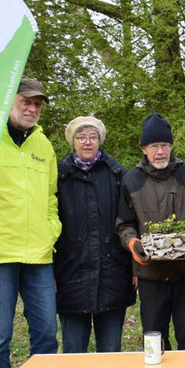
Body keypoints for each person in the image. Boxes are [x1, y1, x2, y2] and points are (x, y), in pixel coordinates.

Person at [0, 77, 60, 368]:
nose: (32, 109)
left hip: (38, 254)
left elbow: (50, 196)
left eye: (36, 105)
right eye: (26, 102)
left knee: (47, 334)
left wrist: (50, 229)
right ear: (10, 100)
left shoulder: (44, 144)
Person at [115, 113, 185, 350]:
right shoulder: (131, 180)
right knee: (154, 338)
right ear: (144, 149)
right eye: (155, 146)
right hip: (151, 274)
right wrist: (133, 245)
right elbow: (123, 224)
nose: (161, 151)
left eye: (165, 145)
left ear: (171, 146)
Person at [53, 116, 135, 353]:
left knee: (110, 353)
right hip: (70, 274)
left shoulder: (119, 175)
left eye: (92, 137)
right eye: (81, 137)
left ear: (100, 140)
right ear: (73, 141)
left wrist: (135, 267)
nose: (87, 142)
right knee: (73, 353)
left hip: (113, 274)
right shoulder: (58, 177)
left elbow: (130, 223)